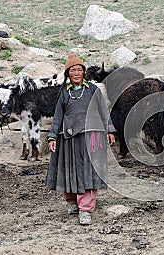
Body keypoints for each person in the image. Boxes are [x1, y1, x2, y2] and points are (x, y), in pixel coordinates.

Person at [45, 54, 115, 225]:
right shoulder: (64, 93)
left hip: (92, 137)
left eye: (79, 70)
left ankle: (85, 209)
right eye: (72, 70)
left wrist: (109, 130)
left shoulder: (93, 90)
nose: (76, 73)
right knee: (69, 170)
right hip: (68, 138)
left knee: (88, 171)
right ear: (68, 73)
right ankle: (72, 203)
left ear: (84, 72)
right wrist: (52, 136)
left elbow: (103, 112)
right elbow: (58, 117)